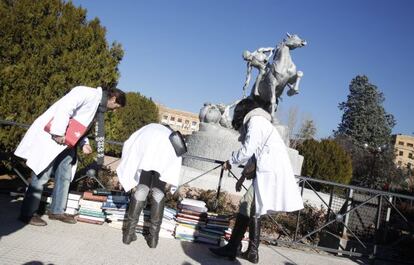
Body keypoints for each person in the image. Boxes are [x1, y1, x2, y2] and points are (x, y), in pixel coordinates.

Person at [209, 98, 303, 263]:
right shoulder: (260, 122)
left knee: (252, 206)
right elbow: (255, 155)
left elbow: (248, 150)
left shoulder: (256, 122)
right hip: (267, 170)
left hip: (269, 171)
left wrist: (230, 161)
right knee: (252, 207)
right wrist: (243, 176)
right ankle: (249, 251)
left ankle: (237, 248)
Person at [15, 85, 126, 226]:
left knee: (65, 177)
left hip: (68, 142)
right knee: (42, 173)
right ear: (113, 98)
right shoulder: (87, 93)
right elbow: (66, 108)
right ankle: (27, 214)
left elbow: (81, 125)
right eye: (116, 106)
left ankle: (57, 211)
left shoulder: (97, 107)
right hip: (54, 138)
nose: (115, 110)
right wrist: (58, 131)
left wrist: (83, 143)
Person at [117, 123, 187, 248]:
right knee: (158, 192)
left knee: (142, 188)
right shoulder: (169, 134)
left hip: (146, 153)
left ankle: (128, 234)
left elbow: (130, 142)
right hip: (165, 155)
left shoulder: (149, 128)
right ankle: (153, 238)